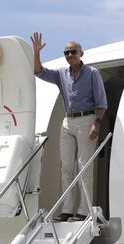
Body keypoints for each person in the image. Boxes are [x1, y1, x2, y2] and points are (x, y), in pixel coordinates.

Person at [31, 32, 107, 222]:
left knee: (84, 167)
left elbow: (101, 102)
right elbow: (38, 71)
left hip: (86, 120)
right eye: (66, 53)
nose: (69, 55)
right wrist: (36, 52)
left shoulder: (92, 74)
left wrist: (96, 124)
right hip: (68, 122)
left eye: (73, 52)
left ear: (81, 53)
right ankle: (67, 210)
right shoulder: (61, 74)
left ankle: (84, 211)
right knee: (66, 167)